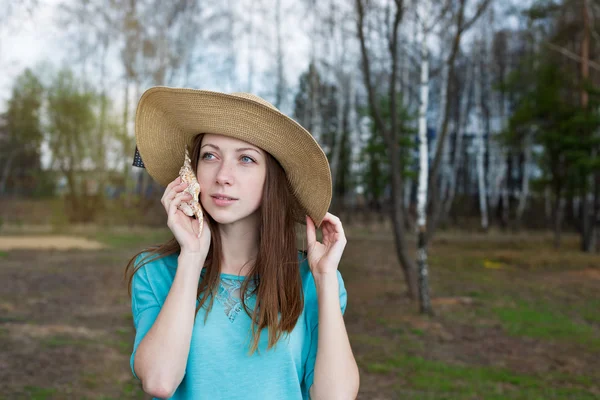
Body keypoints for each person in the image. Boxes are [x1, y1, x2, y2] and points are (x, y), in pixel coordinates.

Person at [124, 87, 359, 400]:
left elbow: (336, 397)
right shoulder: (156, 273)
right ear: (191, 173)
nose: (223, 175)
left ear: (271, 179)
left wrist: (326, 279)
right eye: (210, 155)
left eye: (246, 159)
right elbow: (159, 382)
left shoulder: (314, 281)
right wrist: (192, 257)